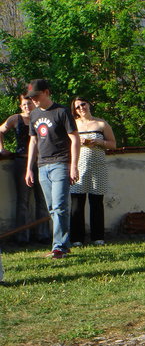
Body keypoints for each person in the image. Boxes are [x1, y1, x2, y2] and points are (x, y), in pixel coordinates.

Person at [25, 79, 80, 259]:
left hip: (61, 163)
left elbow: (75, 139)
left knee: (60, 206)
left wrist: (73, 166)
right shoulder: (33, 115)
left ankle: (59, 246)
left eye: (37, 96)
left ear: (47, 92)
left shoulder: (61, 111)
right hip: (42, 166)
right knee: (52, 207)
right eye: (31, 98)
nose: (34, 100)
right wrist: (29, 168)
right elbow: (33, 141)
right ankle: (63, 243)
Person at [0, 94, 49, 244]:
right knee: (23, 200)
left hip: (41, 161)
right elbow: (0, 130)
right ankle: (22, 237)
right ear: (21, 106)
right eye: (24, 105)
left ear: (34, 104)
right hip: (22, 161)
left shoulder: (41, 117)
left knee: (43, 199)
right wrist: (1, 149)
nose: (27, 107)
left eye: (29, 104)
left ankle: (43, 235)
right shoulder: (16, 119)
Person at [69, 97, 117, 247]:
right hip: (78, 166)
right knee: (77, 202)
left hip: (98, 166)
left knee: (96, 202)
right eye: (77, 107)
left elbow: (113, 144)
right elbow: (67, 144)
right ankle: (76, 238)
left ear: (89, 104)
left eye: (83, 104)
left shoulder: (101, 123)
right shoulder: (73, 124)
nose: (81, 108)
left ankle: (98, 237)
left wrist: (99, 142)